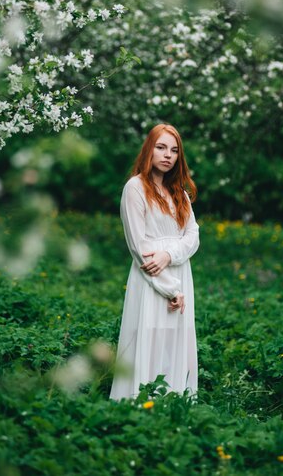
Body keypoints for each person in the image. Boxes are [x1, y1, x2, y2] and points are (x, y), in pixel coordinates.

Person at [109, 123, 200, 401]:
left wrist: (169, 255)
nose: (167, 155)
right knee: (149, 335)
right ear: (149, 149)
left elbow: (193, 236)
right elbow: (139, 247)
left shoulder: (179, 193)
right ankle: (140, 402)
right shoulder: (135, 188)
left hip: (180, 273)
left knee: (174, 340)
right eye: (161, 147)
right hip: (153, 281)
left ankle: (172, 402)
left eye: (173, 150)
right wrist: (170, 289)